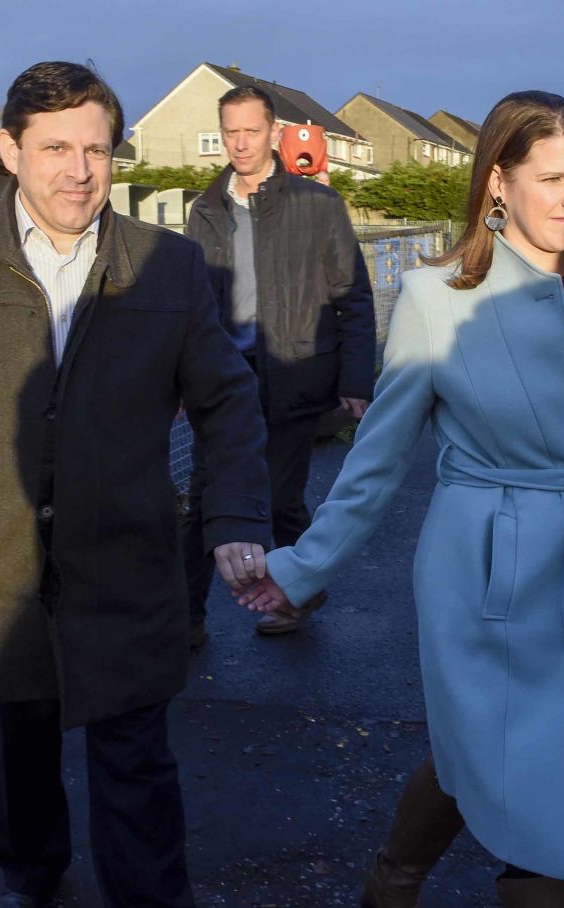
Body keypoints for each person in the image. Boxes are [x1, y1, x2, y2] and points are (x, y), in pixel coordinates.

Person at [236, 90, 564, 905]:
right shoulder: (436, 297)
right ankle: (402, 874)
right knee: (504, 763)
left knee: (524, 766)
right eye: (552, 176)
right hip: (486, 576)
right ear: (496, 183)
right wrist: (301, 568)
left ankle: (394, 875)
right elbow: (374, 464)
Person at [0, 61, 271, 908]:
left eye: (96, 149)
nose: (80, 170)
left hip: (127, 560)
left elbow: (227, 400)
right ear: (9, 151)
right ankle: (34, 880)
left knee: (136, 761)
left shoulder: (165, 264)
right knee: (18, 749)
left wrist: (234, 515)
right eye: (55, 147)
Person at [181, 86, 375, 639]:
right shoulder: (206, 209)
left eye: (250, 131)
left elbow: (353, 296)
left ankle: (299, 594)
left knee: (282, 502)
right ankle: (186, 620)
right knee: (202, 502)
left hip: (292, 373)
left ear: (273, 133)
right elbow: (192, 303)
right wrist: (178, 379)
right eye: (230, 132)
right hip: (222, 381)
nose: (240, 143)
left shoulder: (317, 206)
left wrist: (356, 378)